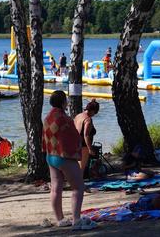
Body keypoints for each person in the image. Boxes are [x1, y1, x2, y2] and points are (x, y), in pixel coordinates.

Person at [41, 90, 96, 230]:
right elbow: (73, 138)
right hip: (64, 156)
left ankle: (60, 220)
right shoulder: (64, 119)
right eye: (65, 100)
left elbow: (45, 138)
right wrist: (77, 153)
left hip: (50, 156)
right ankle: (76, 220)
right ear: (63, 102)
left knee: (55, 188)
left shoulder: (47, 118)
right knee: (78, 187)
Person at [73, 99, 100, 173]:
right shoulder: (88, 119)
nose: (95, 114)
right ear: (93, 111)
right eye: (95, 112)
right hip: (83, 145)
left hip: (75, 143)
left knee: (76, 167)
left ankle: (75, 182)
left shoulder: (78, 116)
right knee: (81, 168)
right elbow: (86, 135)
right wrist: (90, 148)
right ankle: (78, 184)